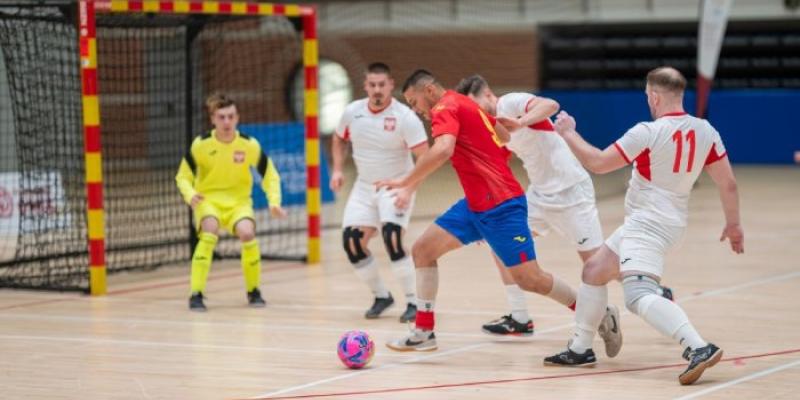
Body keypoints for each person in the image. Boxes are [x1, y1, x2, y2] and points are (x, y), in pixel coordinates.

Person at [543, 67, 743, 386]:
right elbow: (728, 184)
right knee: (594, 270)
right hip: (669, 221)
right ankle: (580, 349)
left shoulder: (647, 132)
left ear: (653, 96)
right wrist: (734, 226)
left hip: (647, 225)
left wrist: (567, 133)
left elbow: (598, 162)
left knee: (637, 296)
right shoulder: (706, 130)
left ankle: (698, 346)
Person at [378, 70, 588, 352]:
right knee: (423, 250)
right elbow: (501, 134)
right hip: (475, 204)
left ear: (429, 91)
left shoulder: (444, 107)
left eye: (414, 103)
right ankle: (423, 331)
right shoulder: (464, 104)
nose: (417, 111)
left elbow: (442, 150)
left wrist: (407, 181)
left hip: (501, 205)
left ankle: (592, 313)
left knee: (531, 279)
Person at [455, 75, 674, 342]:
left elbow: (550, 104)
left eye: (474, 104)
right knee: (501, 246)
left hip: (571, 192)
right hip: (539, 195)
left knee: (597, 265)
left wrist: (521, 122)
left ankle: (652, 288)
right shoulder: (489, 125)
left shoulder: (510, 103)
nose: (474, 111)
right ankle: (519, 317)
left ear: (487, 94)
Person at [331, 62, 429, 322]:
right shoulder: (352, 112)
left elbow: (425, 157)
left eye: (381, 85)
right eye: (372, 85)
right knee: (352, 243)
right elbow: (339, 138)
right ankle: (381, 296)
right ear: (365, 86)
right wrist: (338, 170)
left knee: (392, 237)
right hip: (364, 187)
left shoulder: (405, 117)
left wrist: (408, 188)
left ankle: (414, 303)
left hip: (396, 185)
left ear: (391, 85)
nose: (377, 90)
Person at [176, 93, 286, 312]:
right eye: (222, 117)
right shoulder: (201, 144)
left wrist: (274, 201)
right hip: (209, 201)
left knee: (247, 233)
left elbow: (270, 175)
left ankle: (254, 291)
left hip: (239, 203)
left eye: (231, 117)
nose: (227, 122)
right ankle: (196, 294)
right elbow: (183, 176)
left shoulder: (249, 145)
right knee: (210, 230)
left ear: (237, 118)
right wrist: (190, 194)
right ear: (213, 119)